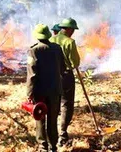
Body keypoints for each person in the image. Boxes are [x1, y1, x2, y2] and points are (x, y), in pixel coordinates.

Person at [27, 24, 65, 152]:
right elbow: (63, 68)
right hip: (55, 90)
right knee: (53, 119)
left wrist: (30, 93)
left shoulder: (34, 50)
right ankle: (53, 146)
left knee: (40, 119)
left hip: (40, 92)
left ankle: (43, 147)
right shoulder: (57, 48)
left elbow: (32, 75)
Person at [49, 17, 80, 146]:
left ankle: (51, 133)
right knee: (66, 104)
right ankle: (62, 133)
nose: (73, 32)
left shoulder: (50, 39)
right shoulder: (69, 42)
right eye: (73, 29)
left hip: (50, 76)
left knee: (53, 103)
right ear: (68, 29)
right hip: (65, 76)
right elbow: (74, 63)